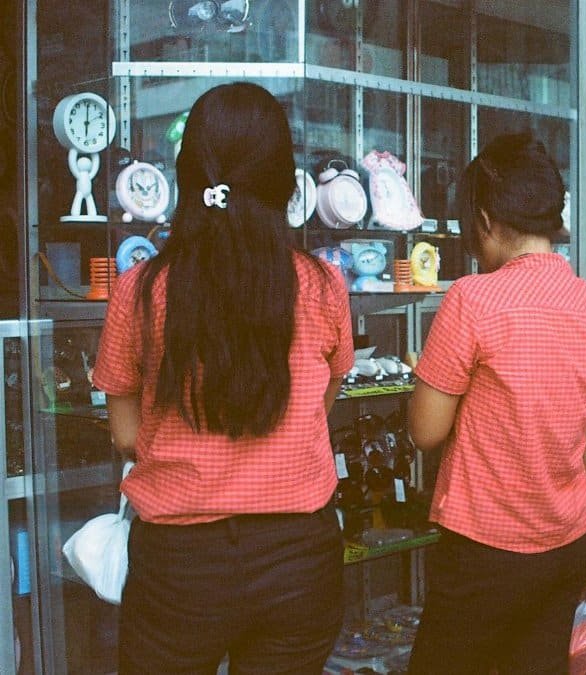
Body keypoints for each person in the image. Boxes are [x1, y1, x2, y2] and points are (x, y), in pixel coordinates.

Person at [92, 82, 353, 674]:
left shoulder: (142, 290)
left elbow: (127, 436)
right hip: (298, 561)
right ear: (283, 182)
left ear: (189, 176)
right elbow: (322, 400)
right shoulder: (321, 286)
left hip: (180, 568)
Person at [405, 132, 586, 674]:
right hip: (568, 548)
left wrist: (429, 380)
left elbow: (425, 432)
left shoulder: (472, 300)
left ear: (481, 220)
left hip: (485, 553)